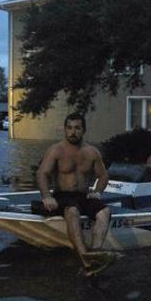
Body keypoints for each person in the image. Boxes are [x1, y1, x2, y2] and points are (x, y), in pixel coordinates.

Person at [36, 113, 111, 271]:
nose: (73, 132)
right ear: (65, 130)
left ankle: (95, 253)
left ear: (83, 130)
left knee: (104, 212)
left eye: (77, 128)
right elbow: (42, 173)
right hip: (63, 196)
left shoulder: (92, 152)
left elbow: (103, 175)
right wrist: (46, 196)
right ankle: (86, 261)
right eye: (69, 128)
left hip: (83, 196)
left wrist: (97, 191)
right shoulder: (56, 150)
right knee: (72, 211)